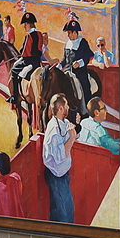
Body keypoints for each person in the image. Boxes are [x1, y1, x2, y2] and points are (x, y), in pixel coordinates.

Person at [42, 93, 75, 223]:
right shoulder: (54, 131)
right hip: (57, 176)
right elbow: (60, 156)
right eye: (66, 105)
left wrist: (75, 127)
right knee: (65, 213)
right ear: (61, 108)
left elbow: (73, 134)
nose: (68, 107)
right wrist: (71, 138)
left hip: (62, 173)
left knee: (59, 211)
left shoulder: (63, 122)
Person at [60, 16, 96, 114]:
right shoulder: (67, 43)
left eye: (69, 33)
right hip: (67, 70)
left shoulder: (82, 42)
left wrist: (79, 63)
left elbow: (89, 55)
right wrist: (59, 67)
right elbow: (64, 60)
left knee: (85, 86)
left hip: (79, 72)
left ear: (75, 33)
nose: (68, 35)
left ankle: (88, 111)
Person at [10, 12, 45, 110]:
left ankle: (15, 97)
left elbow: (23, 52)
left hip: (28, 62)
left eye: (25, 24)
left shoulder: (28, 36)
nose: (24, 26)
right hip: (37, 62)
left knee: (13, 70)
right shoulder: (39, 34)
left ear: (28, 24)